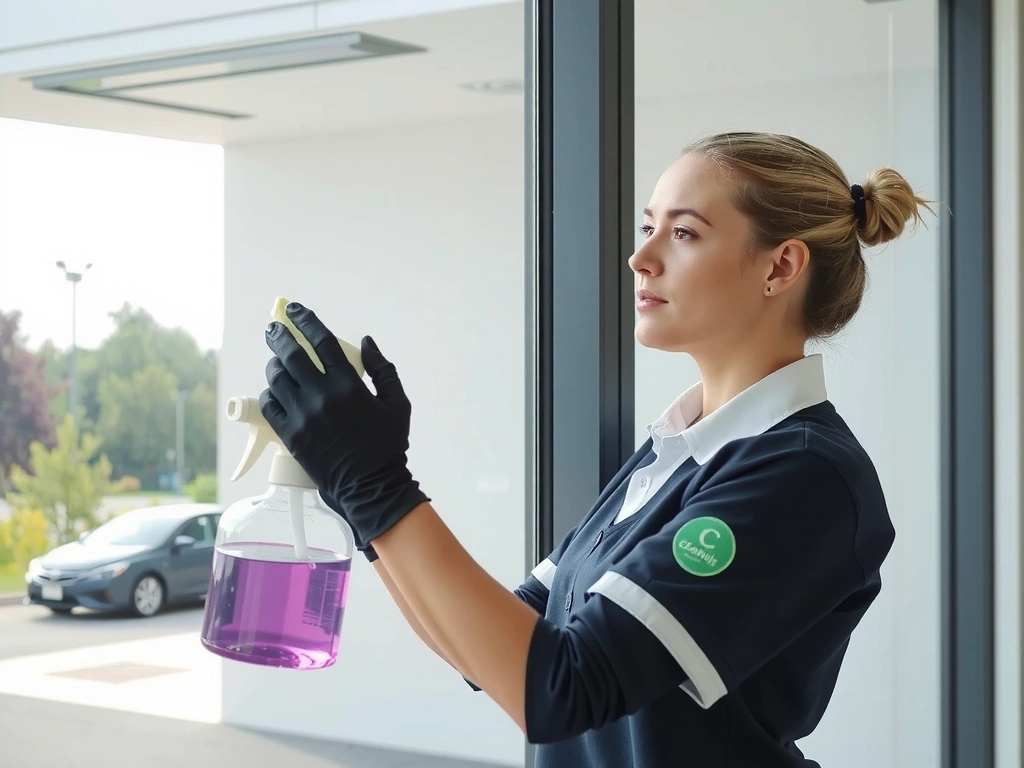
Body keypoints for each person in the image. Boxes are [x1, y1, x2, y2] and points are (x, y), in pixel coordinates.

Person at [259, 131, 932, 768]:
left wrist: (379, 487)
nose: (642, 257)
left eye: (685, 232)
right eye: (648, 227)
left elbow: (561, 689)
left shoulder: (805, 475)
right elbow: (494, 649)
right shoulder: (676, 448)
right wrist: (356, 490)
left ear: (780, 266)